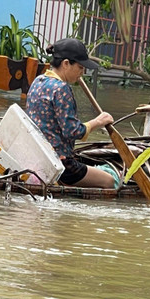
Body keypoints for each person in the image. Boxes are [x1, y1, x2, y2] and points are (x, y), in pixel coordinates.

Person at [26, 38, 117, 188]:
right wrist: (99, 121)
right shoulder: (61, 88)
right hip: (61, 165)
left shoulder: (38, 81)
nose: (82, 73)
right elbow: (73, 131)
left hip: (39, 157)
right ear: (66, 64)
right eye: (80, 67)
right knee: (109, 181)